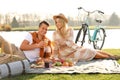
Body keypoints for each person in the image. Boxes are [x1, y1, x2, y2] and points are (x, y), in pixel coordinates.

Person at [52, 13, 120, 64]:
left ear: (63, 22)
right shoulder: (55, 34)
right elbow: (56, 48)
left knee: (92, 49)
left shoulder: (70, 30)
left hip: (74, 49)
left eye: (59, 22)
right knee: (89, 51)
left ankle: (113, 56)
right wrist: (55, 57)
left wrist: (61, 42)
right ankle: (108, 58)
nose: (57, 24)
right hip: (66, 54)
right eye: (56, 22)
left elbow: (70, 42)